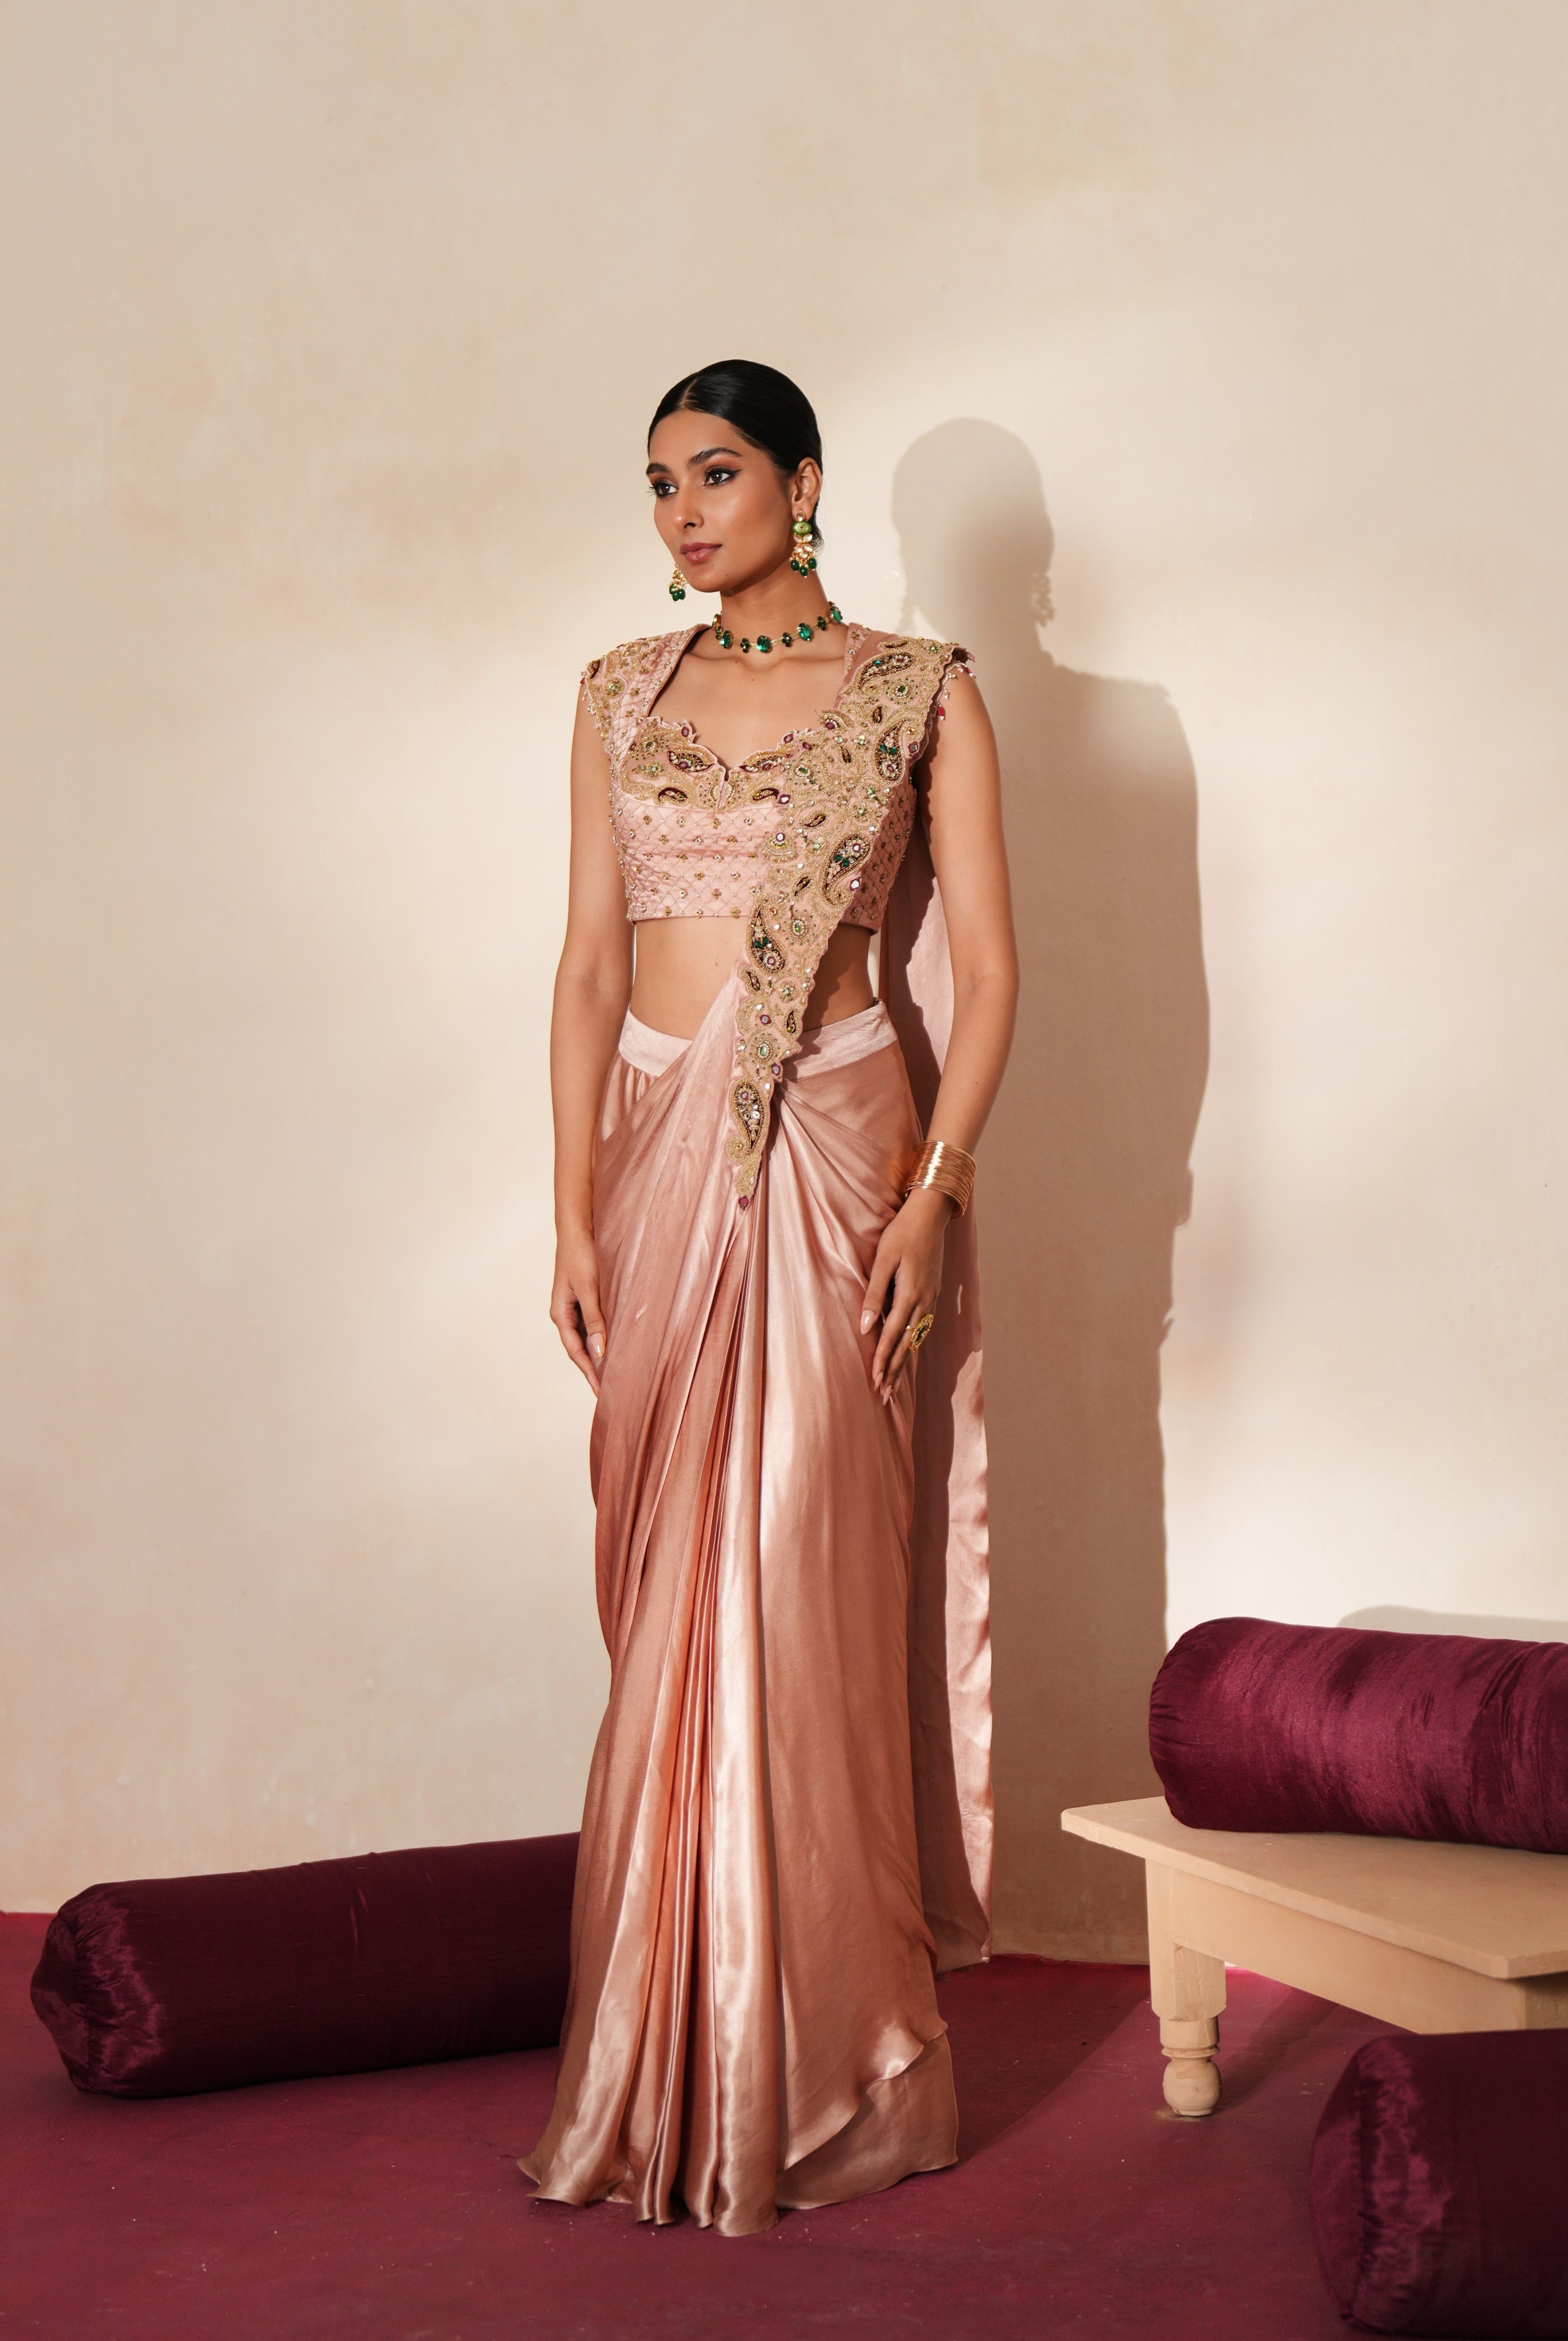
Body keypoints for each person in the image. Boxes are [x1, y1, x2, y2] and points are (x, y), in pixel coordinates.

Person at [521, 360, 1018, 2236]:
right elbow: (583, 966)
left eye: (715, 473)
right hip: (655, 1163)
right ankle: (661, 2034)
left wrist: (934, 1193)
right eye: (658, 484)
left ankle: (826, 2061)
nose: (682, 512)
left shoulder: (921, 689)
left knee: (803, 1575)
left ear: (801, 481)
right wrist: (568, 1204)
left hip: (833, 1151)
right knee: (665, 1595)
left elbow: (989, 965)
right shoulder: (611, 696)